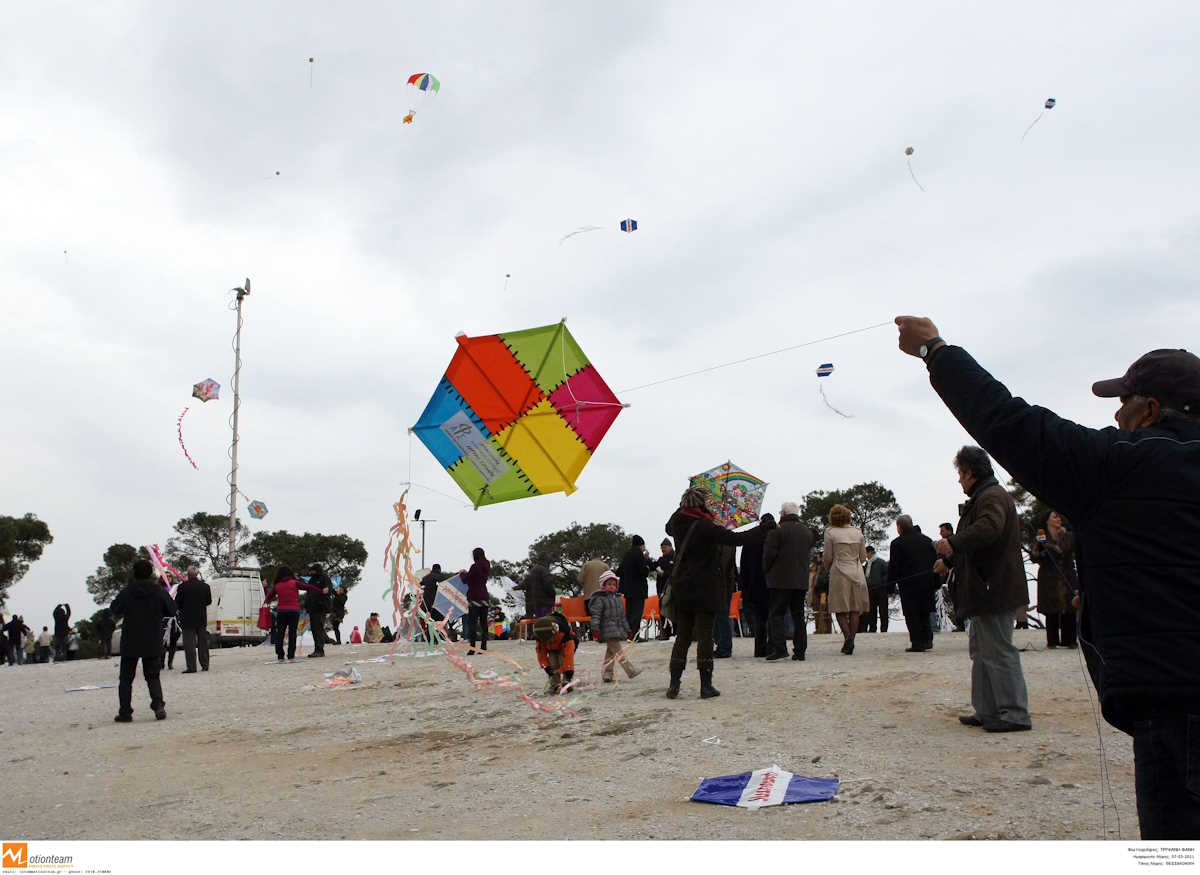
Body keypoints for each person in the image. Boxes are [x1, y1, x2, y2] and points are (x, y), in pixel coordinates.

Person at [932, 445, 1033, 733]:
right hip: (985, 587)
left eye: (960, 474)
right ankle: (987, 709)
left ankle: (1014, 713)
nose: (959, 480)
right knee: (981, 649)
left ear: (970, 472)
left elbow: (989, 529)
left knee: (999, 650)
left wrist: (953, 543)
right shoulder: (985, 496)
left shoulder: (990, 497)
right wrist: (950, 560)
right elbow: (978, 541)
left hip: (994, 588)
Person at [663, 487, 754, 699]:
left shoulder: (677, 521)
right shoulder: (705, 526)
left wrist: (683, 506)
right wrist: (763, 529)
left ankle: (674, 685)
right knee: (705, 635)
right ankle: (706, 685)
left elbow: (668, 526)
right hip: (705, 587)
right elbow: (735, 539)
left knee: (683, 636)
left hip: (682, 587)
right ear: (701, 503)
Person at [110, 559, 177, 721]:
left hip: (130, 640)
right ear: (150, 573)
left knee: (126, 679)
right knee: (153, 676)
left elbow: (114, 608)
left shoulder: (127, 591)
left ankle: (125, 711)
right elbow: (172, 610)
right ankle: (158, 705)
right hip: (152, 639)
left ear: (134, 573)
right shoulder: (158, 591)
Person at [764, 502, 813, 661]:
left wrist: (767, 571)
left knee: (776, 614)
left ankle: (779, 648)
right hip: (800, 581)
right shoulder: (806, 532)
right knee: (798, 615)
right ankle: (800, 651)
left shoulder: (776, 532)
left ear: (783, 513)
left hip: (780, 580)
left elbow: (768, 556)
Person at [823, 505, 870, 655]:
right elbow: (863, 557)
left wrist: (827, 568)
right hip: (856, 572)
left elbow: (828, 556)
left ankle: (847, 638)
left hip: (838, 572)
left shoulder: (830, 532)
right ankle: (852, 639)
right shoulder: (857, 533)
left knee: (840, 608)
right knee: (855, 608)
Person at [888, 515, 937, 653]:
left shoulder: (897, 543)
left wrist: (890, 586)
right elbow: (935, 562)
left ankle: (917, 642)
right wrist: (936, 582)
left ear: (899, 527)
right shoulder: (927, 540)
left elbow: (894, 567)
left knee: (912, 614)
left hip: (908, 584)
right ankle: (928, 640)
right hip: (926, 582)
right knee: (924, 612)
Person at [1030, 511, 1078, 649]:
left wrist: (1050, 547)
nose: (1059, 519)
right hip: (1048, 578)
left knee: (1069, 608)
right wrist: (1041, 550)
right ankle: (1052, 641)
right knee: (1051, 609)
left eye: (1059, 516)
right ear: (1047, 521)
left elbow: (1065, 550)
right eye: (1055, 516)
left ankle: (1070, 640)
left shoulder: (1068, 535)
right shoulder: (1040, 537)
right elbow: (1034, 557)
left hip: (1067, 575)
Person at [589, 570, 641, 682]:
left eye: (614, 584)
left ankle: (607, 674)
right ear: (603, 585)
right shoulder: (600, 599)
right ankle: (630, 670)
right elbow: (596, 615)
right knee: (619, 652)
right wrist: (595, 629)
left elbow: (622, 617)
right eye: (609, 584)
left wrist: (628, 630)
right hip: (606, 630)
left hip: (616, 629)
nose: (611, 587)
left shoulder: (617, 599)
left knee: (611, 652)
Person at [264, 567, 325, 660]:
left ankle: (280, 654)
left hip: (281, 612)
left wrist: (265, 602)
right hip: (294, 611)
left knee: (280, 632)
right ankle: (291, 654)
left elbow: (269, 597)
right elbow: (308, 587)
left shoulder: (277, 585)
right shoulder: (294, 583)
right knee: (292, 633)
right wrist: (321, 591)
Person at [739, 513, 776, 657]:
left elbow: (744, 564)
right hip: (772, 582)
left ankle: (759, 649)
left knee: (759, 617)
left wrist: (744, 586)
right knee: (773, 616)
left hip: (754, 583)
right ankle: (773, 646)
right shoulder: (776, 537)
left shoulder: (751, 538)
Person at [174, 565, 212, 672]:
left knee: (189, 644)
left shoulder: (182, 587)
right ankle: (205, 665)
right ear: (197, 574)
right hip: (201, 618)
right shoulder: (205, 586)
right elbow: (209, 601)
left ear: (188, 574)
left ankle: (191, 667)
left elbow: (177, 602)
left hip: (187, 619)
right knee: (202, 643)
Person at [533, 610, 577, 695]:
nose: (549, 641)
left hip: (564, 647)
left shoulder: (566, 636)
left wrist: (568, 672)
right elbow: (541, 653)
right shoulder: (540, 637)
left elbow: (568, 656)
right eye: (546, 640)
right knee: (552, 663)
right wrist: (546, 667)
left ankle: (567, 682)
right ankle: (554, 685)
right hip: (552, 649)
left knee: (562, 661)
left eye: (550, 638)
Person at [617, 536, 651, 642]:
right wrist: (647, 564)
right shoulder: (638, 554)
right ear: (641, 545)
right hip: (638, 589)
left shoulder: (627, 554)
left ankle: (628, 635)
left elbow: (618, 572)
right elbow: (644, 571)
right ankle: (635, 636)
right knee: (636, 614)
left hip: (627, 589)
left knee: (629, 613)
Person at [936, 522, 967, 632]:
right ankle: (960, 623)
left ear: (949, 531)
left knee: (960, 599)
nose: (940, 533)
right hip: (950, 577)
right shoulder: (942, 544)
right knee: (955, 599)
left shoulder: (955, 542)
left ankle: (962, 623)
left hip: (958, 574)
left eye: (942, 530)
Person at [460, 547, 491, 654]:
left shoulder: (474, 566)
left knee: (472, 623)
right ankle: (483, 646)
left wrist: (462, 573)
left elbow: (467, 580)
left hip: (474, 598)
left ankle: (472, 648)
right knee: (484, 623)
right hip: (485, 597)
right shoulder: (487, 565)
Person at [713, 545, 737, 658]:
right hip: (725, 582)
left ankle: (724, 647)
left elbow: (723, 565)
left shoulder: (724, 543)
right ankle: (722, 644)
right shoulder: (727, 542)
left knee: (722, 614)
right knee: (721, 615)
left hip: (722, 583)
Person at [304, 564, 333, 658]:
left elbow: (329, 588)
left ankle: (320, 650)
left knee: (319, 629)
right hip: (312, 608)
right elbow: (308, 593)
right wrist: (307, 607)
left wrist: (327, 590)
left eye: (313, 571)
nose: (311, 572)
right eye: (311, 571)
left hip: (321, 608)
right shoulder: (311, 580)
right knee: (314, 630)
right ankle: (316, 650)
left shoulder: (324, 578)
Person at [652, 538, 676, 639]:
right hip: (661, 590)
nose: (663, 550)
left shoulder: (675, 557)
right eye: (661, 548)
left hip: (672, 589)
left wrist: (664, 573)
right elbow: (653, 566)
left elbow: (674, 572)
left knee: (671, 610)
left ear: (670, 547)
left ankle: (674, 632)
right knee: (662, 611)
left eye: (664, 548)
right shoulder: (661, 559)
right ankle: (664, 632)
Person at [862, 546, 889, 633]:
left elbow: (887, 575)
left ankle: (884, 629)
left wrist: (882, 583)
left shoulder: (881, 562)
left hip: (881, 590)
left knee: (883, 611)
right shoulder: (867, 564)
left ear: (870, 552)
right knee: (871, 611)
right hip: (870, 590)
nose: (865, 555)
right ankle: (872, 628)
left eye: (866, 553)